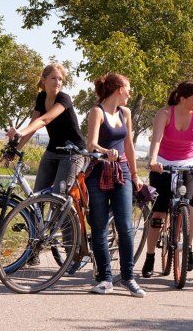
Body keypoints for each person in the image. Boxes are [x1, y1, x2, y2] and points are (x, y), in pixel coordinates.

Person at [141, 81, 193, 278]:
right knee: (159, 212)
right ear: (182, 99)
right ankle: (149, 257)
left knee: (188, 205)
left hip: (189, 161)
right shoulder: (164, 114)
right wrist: (153, 160)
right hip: (163, 162)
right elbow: (156, 139)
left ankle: (188, 248)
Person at [83, 73, 145, 297]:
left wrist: (136, 175)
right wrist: (104, 151)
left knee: (125, 227)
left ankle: (128, 277)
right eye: (128, 88)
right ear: (119, 89)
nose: (130, 93)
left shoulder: (125, 112)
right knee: (98, 227)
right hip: (98, 172)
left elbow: (129, 145)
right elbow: (91, 144)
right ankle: (106, 279)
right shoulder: (96, 112)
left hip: (122, 173)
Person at [6, 62, 86, 194]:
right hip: (53, 150)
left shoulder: (64, 98)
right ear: (44, 80)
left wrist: (20, 132)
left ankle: (65, 214)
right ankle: (38, 216)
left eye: (60, 79)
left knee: (58, 197)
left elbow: (44, 120)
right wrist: (16, 150)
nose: (58, 82)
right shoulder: (41, 97)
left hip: (73, 153)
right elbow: (33, 126)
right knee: (37, 196)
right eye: (54, 78)